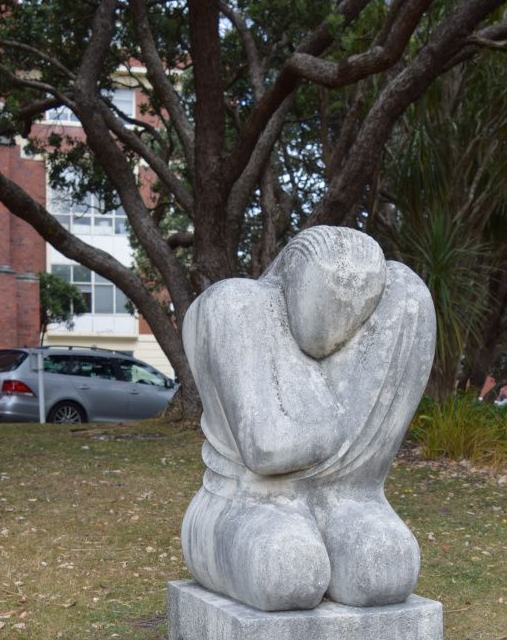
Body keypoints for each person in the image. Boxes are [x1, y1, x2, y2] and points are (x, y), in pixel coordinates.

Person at [181, 226, 436, 612]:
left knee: (385, 569)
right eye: (328, 301)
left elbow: (365, 470)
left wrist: (323, 432)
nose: (342, 322)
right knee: (290, 571)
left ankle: (332, 523)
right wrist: (334, 427)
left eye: (355, 308)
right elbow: (266, 450)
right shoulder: (234, 305)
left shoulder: (399, 306)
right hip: (243, 501)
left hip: (347, 499)